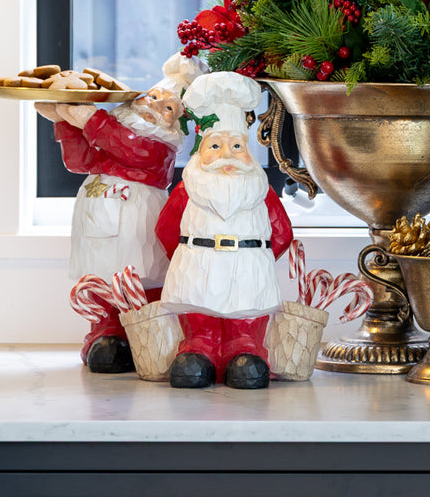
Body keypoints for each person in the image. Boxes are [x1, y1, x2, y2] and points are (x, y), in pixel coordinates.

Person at [36, 53, 201, 372]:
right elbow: (79, 161)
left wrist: (90, 120)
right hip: (97, 223)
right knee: (102, 276)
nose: (154, 104)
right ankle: (106, 332)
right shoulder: (108, 138)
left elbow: (132, 148)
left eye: (167, 107)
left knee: (143, 275)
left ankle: (147, 331)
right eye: (152, 96)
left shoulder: (158, 147)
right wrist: (65, 121)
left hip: (136, 224)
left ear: (174, 125)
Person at [155, 72, 293, 389]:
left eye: (236, 145)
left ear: (248, 149)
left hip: (247, 271)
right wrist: (190, 258)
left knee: (246, 316)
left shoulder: (259, 190)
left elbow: (281, 233)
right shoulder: (189, 190)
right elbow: (166, 229)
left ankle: (246, 347)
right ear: (200, 150)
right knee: (199, 314)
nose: (227, 155)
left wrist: (255, 259)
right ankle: (198, 348)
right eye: (215, 145)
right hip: (198, 270)